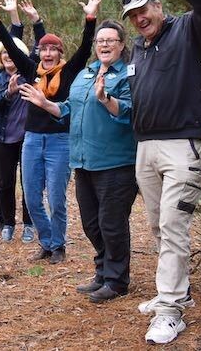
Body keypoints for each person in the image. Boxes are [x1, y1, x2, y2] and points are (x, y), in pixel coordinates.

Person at [122, 0, 201, 345]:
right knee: (157, 226)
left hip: (182, 145)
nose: (140, 19)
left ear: (159, 7)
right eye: (133, 16)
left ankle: (170, 310)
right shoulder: (139, 49)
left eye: (145, 10)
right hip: (146, 147)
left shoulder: (188, 29)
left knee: (173, 225)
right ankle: (179, 290)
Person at [21, 19, 137, 303]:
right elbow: (70, 108)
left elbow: (130, 110)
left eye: (111, 40)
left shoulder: (129, 75)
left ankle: (117, 280)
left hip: (115, 162)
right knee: (90, 223)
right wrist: (46, 104)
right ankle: (102, 272)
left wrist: (106, 98)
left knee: (112, 223)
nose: (104, 45)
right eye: (100, 41)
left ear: (122, 45)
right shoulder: (87, 73)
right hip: (83, 162)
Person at [0, 0, 100, 263]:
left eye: (53, 49)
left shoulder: (69, 71)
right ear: (39, 51)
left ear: (60, 53)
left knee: (57, 199)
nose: (48, 52)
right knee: (32, 198)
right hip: (32, 140)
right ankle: (48, 242)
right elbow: (11, 46)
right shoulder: (30, 69)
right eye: (44, 48)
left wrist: (90, 18)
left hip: (60, 141)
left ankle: (58, 245)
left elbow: (86, 47)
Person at [0, 37, 34, 243]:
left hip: (28, 139)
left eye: (11, 52)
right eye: (3, 52)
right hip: (2, 138)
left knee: (28, 183)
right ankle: (8, 223)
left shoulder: (30, 77)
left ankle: (29, 224)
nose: (7, 56)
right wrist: (8, 93)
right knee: (4, 183)